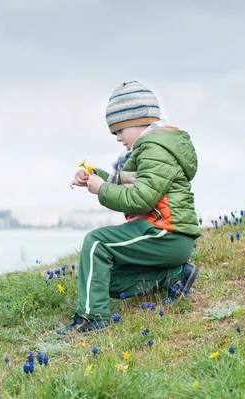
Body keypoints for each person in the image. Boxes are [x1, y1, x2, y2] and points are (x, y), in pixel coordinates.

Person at [58, 80, 201, 335]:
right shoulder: (147, 150)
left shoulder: (156, 149)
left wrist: (101, 189)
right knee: (106, 279)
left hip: (167, 232)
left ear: (139, 119)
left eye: (120, 130)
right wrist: (94, 176)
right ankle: (175, 277)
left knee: (97, 243)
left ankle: (92, 318)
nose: (118, 138)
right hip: (165, 236)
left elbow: (140, 199)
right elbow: (127, 181)